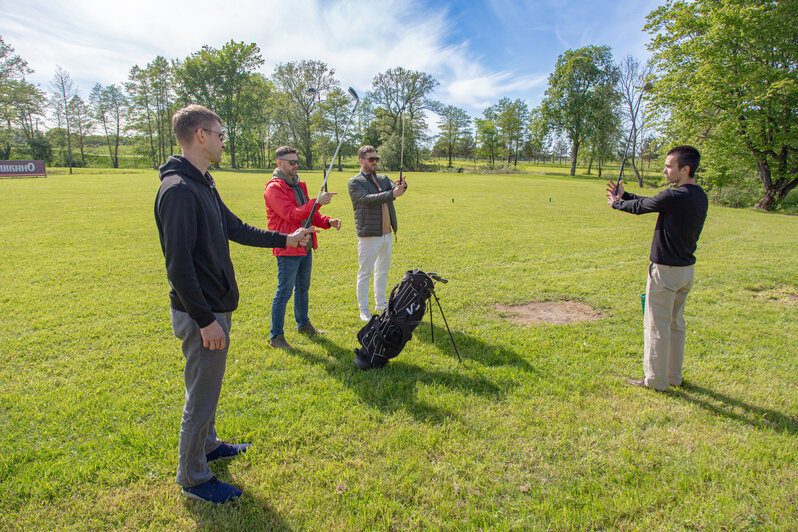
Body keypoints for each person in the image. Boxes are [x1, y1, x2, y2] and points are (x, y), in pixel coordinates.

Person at [154, 105, 314, 504]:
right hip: (201, 313)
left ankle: (208, 447)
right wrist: (205, 319)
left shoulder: (203, 182)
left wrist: (287, 239)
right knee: (201, 395)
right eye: (220, 134)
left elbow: (235, 228)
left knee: (208, 388)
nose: (224, 141)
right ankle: (192, 477)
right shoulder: (178, 189)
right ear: (201, 136)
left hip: (214, 306)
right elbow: (178, 266)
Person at [606, 145, 708, 392]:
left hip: (665, 272)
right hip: (686, 272)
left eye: (668, 166)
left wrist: (616, 203)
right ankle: (673, 376)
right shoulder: (697, 195)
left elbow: (642, 207)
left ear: (685, 169)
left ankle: (655, 380)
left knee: (657, 326)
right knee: (675, 325)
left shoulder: (674, 196)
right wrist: (626, 194)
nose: (664, 171)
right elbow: (651, 202)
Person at [263, 146, 341, 349]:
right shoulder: (274, 188)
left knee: (303, 288)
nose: (296, 165)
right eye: (291, 162)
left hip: (305, 244)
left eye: (297, 161)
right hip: (287, 245)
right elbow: (291, 214)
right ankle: (276, 336)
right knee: (284, 292)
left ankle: (303, 323)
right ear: (279, 163)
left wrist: (327, 221)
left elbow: (309, 214)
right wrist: (318, 202)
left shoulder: (298, 185)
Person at [347, 145, 407, 322]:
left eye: (376, 159)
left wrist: (402, 186)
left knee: (382, 271)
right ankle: (363, 309)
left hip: (386, 234)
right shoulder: (355, 182)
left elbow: (394, 189)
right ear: (361, 161)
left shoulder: (383, 178)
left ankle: (381, 305)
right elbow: (367, 200)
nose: (375, 162)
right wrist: (391, 193)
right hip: (368, 235)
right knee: (365, 273)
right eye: (371, 159)